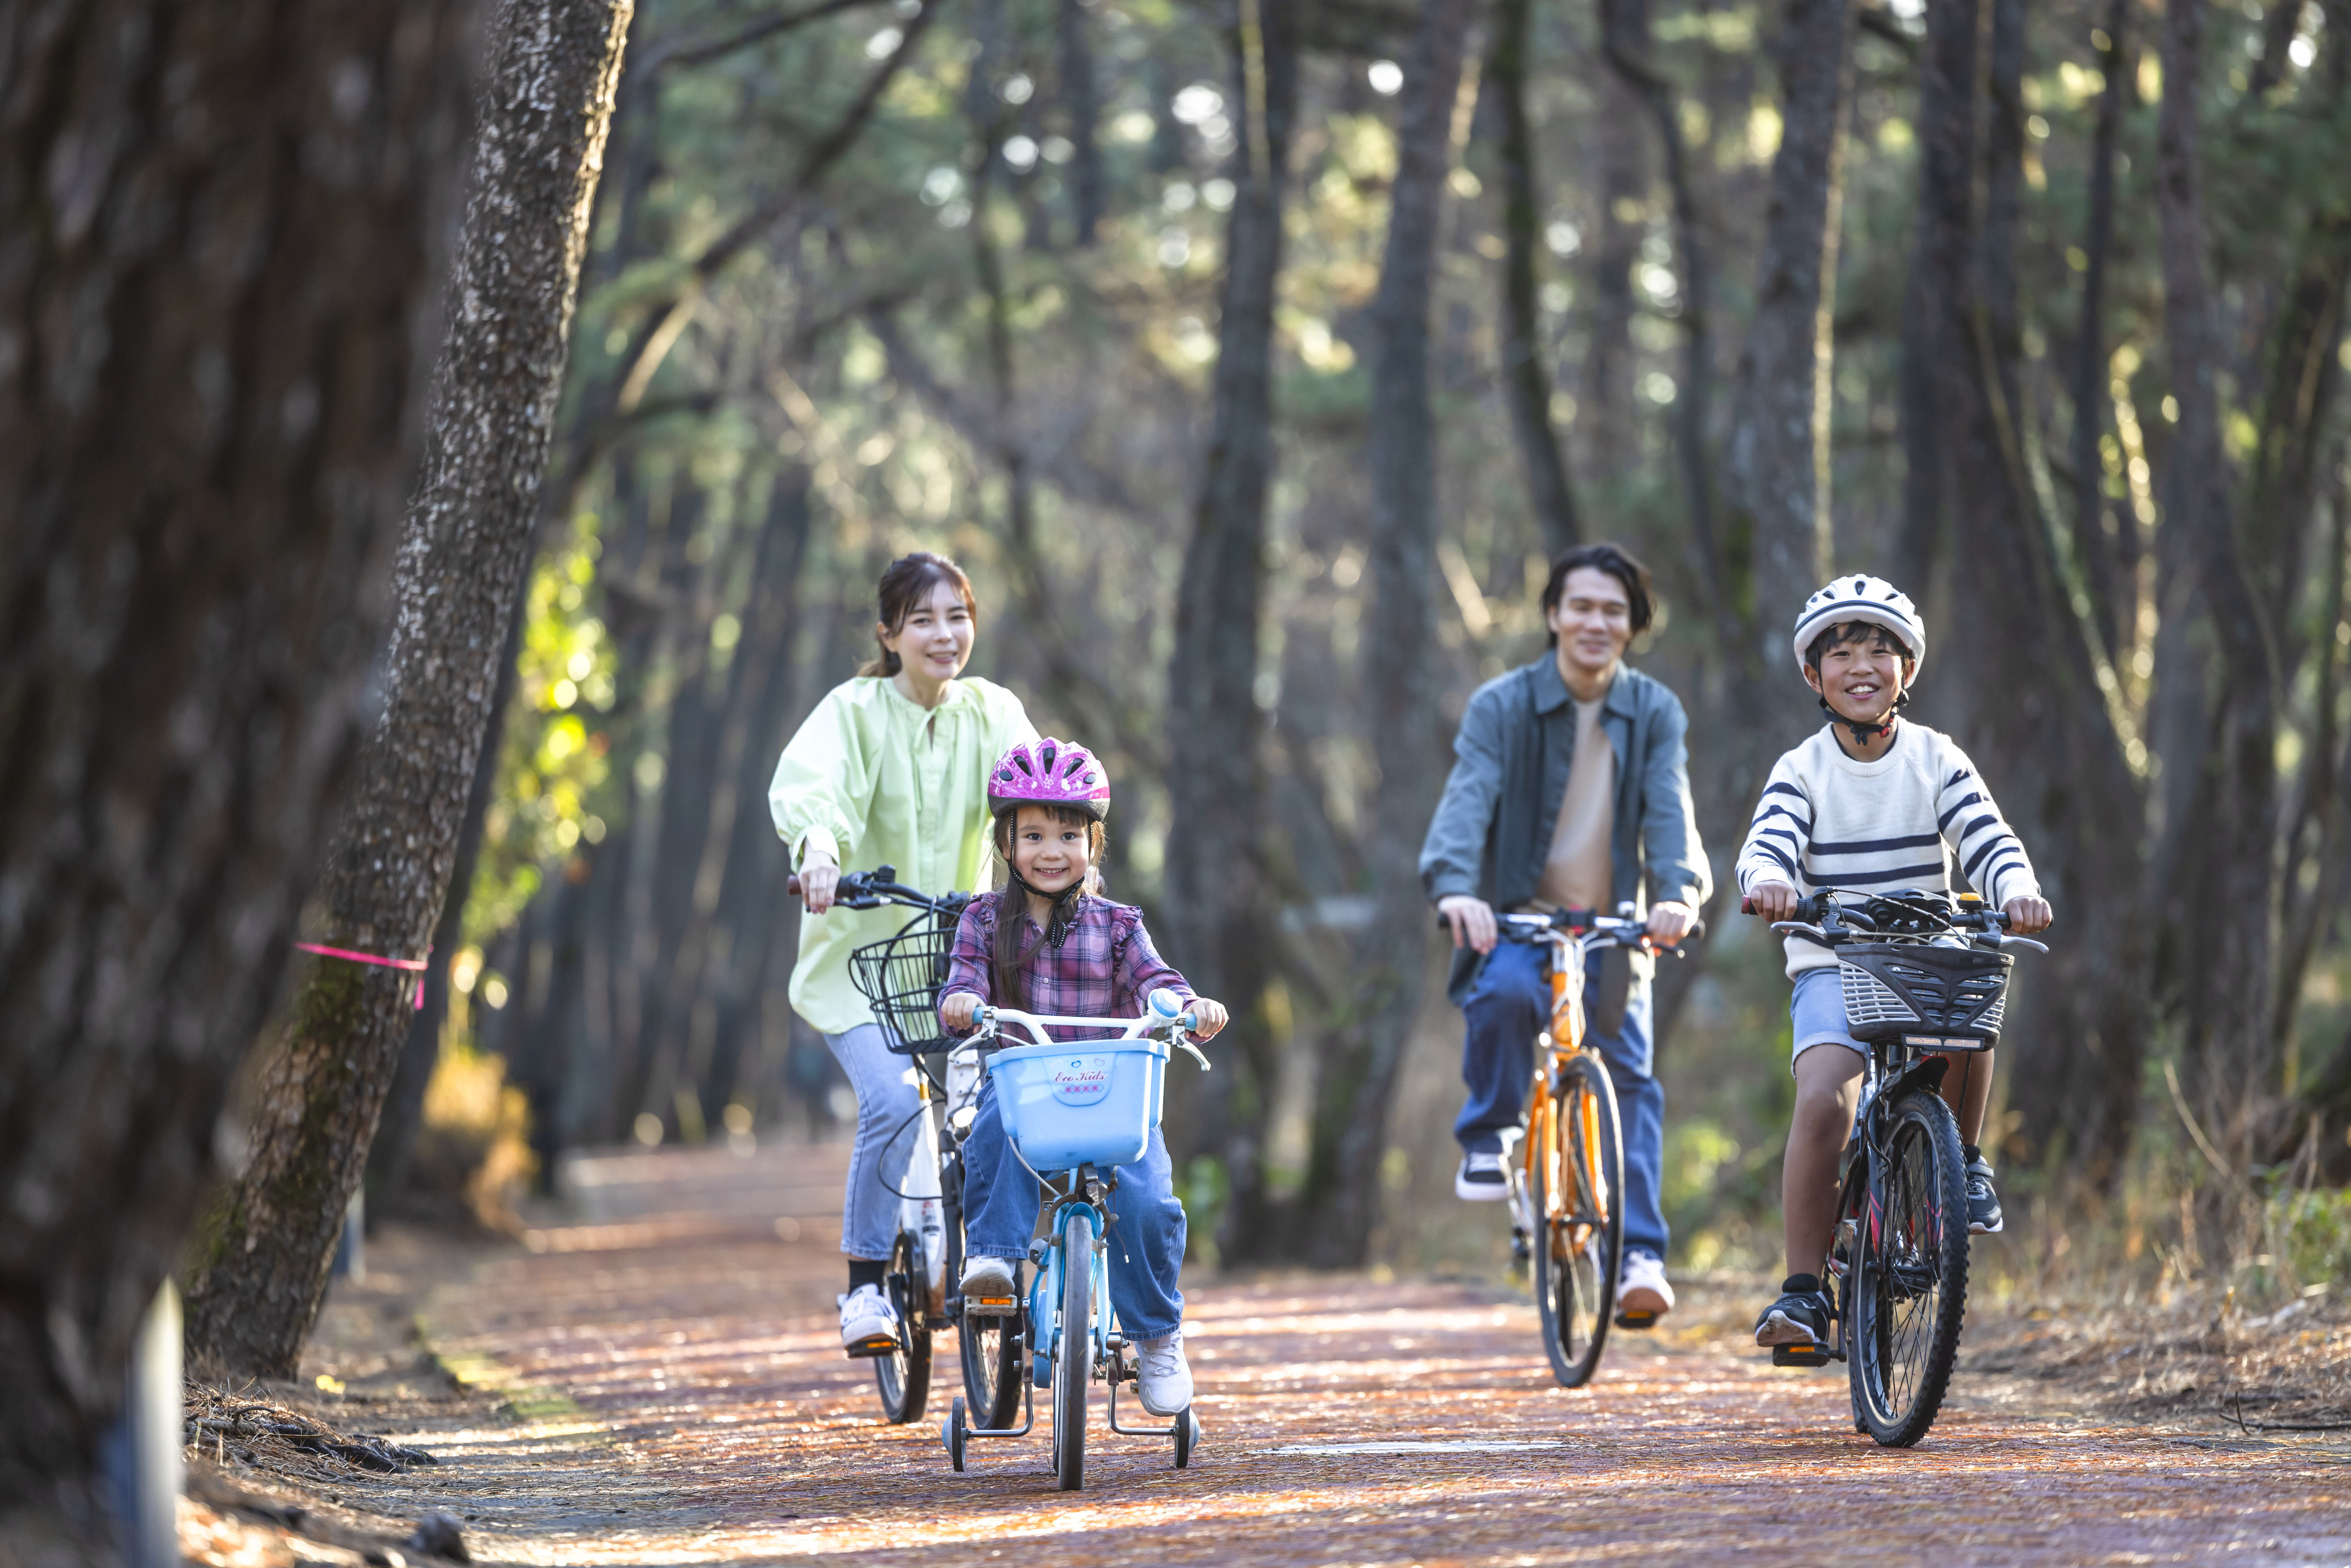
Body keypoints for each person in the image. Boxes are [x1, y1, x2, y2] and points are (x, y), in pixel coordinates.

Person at [1737, 575, 2054, 1351]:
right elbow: (1769, 839)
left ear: (1907, 670)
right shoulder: (1802, 768)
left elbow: (1987, 837)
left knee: (1974, 1010)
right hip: (1833, 963)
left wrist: (2016, 889)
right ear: (1815, 676)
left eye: (1881, 649)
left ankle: (1960, 1167)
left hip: (1926, 961)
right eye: (1841, 652)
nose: (1862, 665)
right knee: (1824, 1103)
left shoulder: (1937, 759)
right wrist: (1770, 881)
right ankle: (1805, 1293)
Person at [1419, 543, 1712, 1328]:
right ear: (1553, 615)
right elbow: (1466, 802)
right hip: (1519, 919)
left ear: (1633, 626)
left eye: (1614, 610)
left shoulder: (1654, 712)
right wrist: (1456, 889)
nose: (1596, 622)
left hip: (1615, 928)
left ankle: (1641, 1255)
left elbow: (1671, 814)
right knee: (1510, 990)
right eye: (1580, 606)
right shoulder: (1502, 706)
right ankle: (1491, 1133)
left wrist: (1678, 893)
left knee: (1631, 1076)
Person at [768, 552, 1036, 1356]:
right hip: (861, 968)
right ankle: (862, 1289)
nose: (943, 634)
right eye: (922, 619)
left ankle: (1001, 1264)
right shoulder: (852, 712)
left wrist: (1062, 858)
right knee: (891, 1102)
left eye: (957, 615)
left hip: (961, 965)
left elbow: (1035, 786)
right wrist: (819, 852)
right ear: (889, 633)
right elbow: (817, 790)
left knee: (1004, 1105)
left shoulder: (990, 712)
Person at [938, 738, 1228, 1417]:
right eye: (1033, 833)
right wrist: (961, 1000)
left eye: (1069, 834)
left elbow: (1158, 982)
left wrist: (1189, 1008)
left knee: (1151, 1202)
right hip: (1025, 1095)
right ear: (1006, 842)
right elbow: (965, 981)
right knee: (991, 1135)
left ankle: (1157, 1337)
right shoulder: (981, 921)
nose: (1050, 849)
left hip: (1112, 1098)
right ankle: (996, 1260)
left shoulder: (1121, 928)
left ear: (1094, 843)